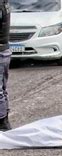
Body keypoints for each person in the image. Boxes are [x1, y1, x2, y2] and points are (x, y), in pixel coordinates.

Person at [0, 0, 11, 131]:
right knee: (2, 88)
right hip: (4, 49)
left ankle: (2, 122)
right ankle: (4, 119)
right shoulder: (4, 3)